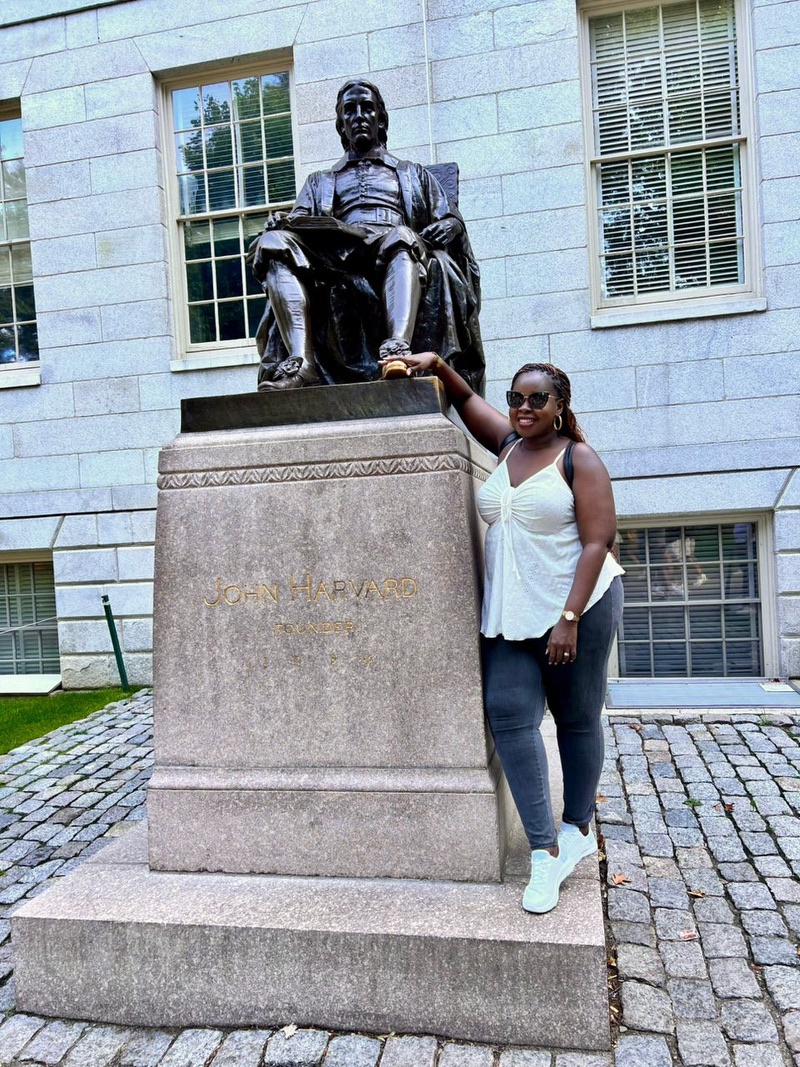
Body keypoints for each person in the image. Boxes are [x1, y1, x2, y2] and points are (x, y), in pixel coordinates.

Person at [383, 351, 624, 914]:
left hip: (579, 608)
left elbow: (598, 541)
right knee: (510, 713)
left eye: (537, 399)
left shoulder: (578, 459)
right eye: (516, 398)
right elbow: (468, 403)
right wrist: (439, 366)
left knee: (575, 718)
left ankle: (578, 831)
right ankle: (544, 852)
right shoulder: (510, 446)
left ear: (560, 407)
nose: (522, 408)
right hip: (512, 613)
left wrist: (568, 619)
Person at [249, 79, 484, 393]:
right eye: (349, 111)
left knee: (401, 236)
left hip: (391, 248)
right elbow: (299, 221)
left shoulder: (413, 173)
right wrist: (282, 223)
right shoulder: (319, 181)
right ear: (341, 125)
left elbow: (448, 219)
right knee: (272, 243)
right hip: (337, 255)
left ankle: (398, 352)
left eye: (367, 108)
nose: (358, 116)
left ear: (381, 119)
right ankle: (301, 364)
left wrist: (452, 225)